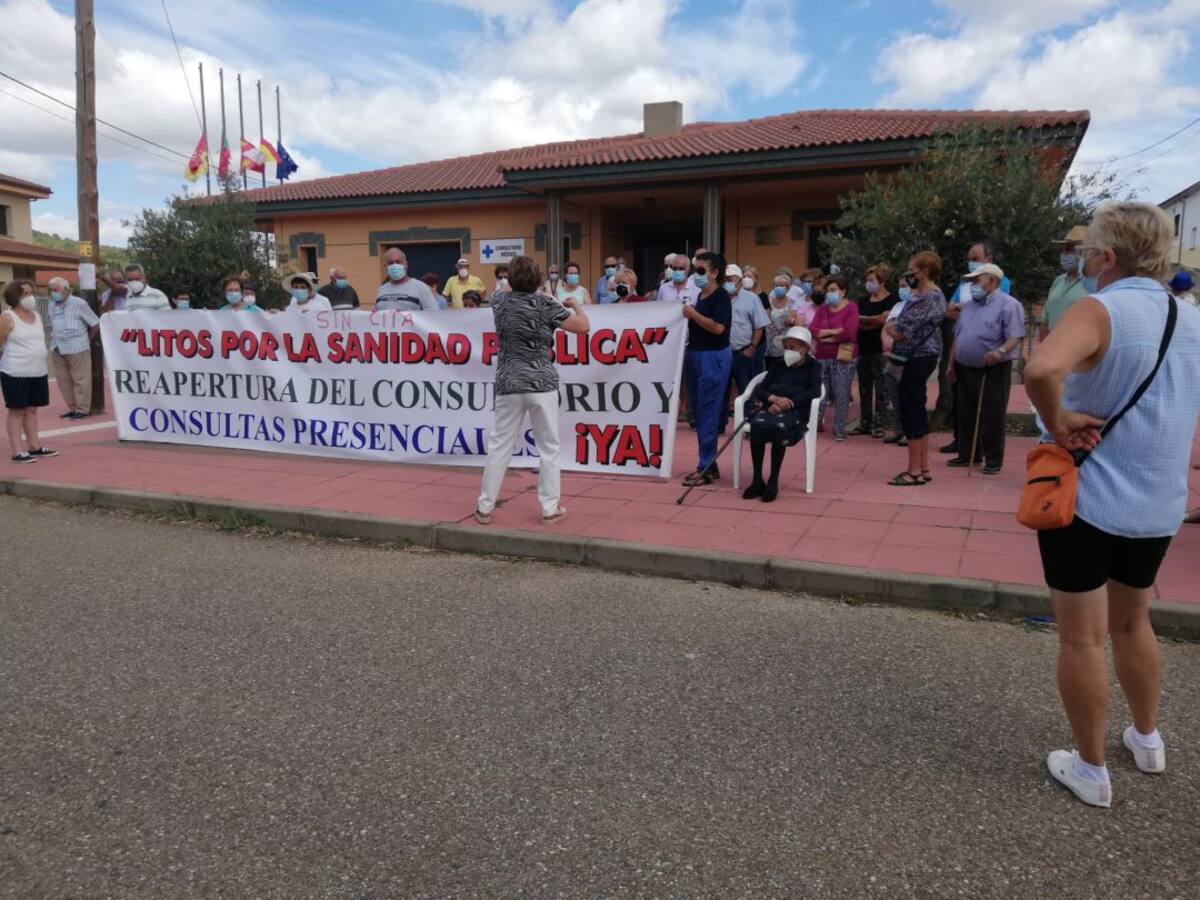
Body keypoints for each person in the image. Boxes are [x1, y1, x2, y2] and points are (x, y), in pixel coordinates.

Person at [1023, 202, 1200, 809]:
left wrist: (1059, 419)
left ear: (1107, 255)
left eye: (1087, 247)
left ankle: (1092, 768)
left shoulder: (1102, 307)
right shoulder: (1190, 317)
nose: (1081, 257)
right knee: (1134, 620)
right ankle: (1147, 739)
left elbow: (1042, 366)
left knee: (1082, 638)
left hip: (1087, 497)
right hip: (1158, 502)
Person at [475, 255, 591, 526]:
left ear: (511, 279)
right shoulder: (547, 305)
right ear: (539, 279)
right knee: (548, 447)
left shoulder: (500, 302)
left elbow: (503, 289)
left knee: (499, 445)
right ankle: (550, 508)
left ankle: (484, 506)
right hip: (541, 382)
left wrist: (520, 284)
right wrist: (575, 306)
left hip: (509, 381)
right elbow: (583, 328)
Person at [947, 263, 1025, 474]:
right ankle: (968, 454)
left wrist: (999, 351)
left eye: (976, 281)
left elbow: (1015, 336)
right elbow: (958, 335)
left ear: (992, 281)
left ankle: (992, 459)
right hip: (965, 365)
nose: (972, 285)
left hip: (993, 367)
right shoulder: (969, 305)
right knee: (966, 410)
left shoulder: (1009, 305)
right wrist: (951, 362)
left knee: (992, 412)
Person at [938, 240, 1008, 455]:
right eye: (969, 259)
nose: (971, 263)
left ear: (989, 260)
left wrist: (964, 309)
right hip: (962, 352)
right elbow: (949, 311)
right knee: (962, 400)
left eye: (975, 259)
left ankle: (988, 451)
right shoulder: (964, 286)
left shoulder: (1002, 283)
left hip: (989, 357)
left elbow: (994, 308)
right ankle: (963, 444)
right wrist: (965, 309)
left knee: (988, 405)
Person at [741, 326, 822, 503]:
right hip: (771, 408)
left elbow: (814, 392)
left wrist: (787, 403)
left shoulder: (814, 366)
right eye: (786, 347)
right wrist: (774, 399)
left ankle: (773, 481)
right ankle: (757, 480)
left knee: (777, 428)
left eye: (792, 347)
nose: (788, 351)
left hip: (796, 411)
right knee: (758, 424)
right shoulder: (778, 365)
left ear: (805, 348)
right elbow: (761, 390)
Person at [887, 251, 946, 486]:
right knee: (918, 409)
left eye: (912, 271)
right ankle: (923, 467)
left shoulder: (927, 297)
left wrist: (891, 324)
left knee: (911, 411)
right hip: (925, 355)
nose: (908, 275)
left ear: (924, 272)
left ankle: (913, 471)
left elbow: (901, 329)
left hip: (916, 357)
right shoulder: (936, 295)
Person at [680, 251, 733, 486]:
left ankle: (706, 466)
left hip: (713, 357)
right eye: (695, 270)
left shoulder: (721, 296)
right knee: (700, 412)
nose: (696, 275)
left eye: (701, 271)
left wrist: (694, 314)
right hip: (696, 355)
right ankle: (708, 463)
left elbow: (718, 328)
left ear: (714, 273)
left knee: (708, 411)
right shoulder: (701, 295)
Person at [0, 280, 58, 464]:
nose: (30, 297)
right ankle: (18, 451)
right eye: (25, 293)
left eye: (30, 292)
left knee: (32, 410)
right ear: (15, 296)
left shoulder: (37, 316)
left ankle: (35, 447)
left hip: (38, 371)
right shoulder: (8, 317)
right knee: (17, 411)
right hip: (15, 371)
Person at [809, 273, 860, 441]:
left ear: (843, 291)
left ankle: (839, 429)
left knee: (841, 392)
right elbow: (813, 330)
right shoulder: (823, 309)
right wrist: (832, 332)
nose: (829, 293)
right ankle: (815, 424)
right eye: (827, 290)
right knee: (820, 392)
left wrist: (826, 337)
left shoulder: (851, 308)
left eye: (833, 290)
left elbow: (850, 333)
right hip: (822, 356)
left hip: (843, 357)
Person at [850, 264, 898, 438]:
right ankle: (865, 422)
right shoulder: (863, 301)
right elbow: (857, 322)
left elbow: (886, 320)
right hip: (863, 349)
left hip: (881, 349)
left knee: (882, 388)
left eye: (871, 280)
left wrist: (865, 320)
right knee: (864, 387)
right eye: (867, 280)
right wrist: (874, 321)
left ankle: (879, 424)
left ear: (882, 281)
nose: (868, 283)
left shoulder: (892, 299)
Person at [45, 277, 99, 420]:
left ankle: (82, 409)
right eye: (50, 290)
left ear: (66, 290)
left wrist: (87, 339)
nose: (52, 293)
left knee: (81, 380)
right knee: (63, 380)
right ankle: (72, 408)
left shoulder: (79, 304)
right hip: (57, 347)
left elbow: (94, 324)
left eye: (55, 290)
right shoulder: (51, 305)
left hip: (77, 347)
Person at [724, 263, 769, 413]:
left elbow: (759, 325)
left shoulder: (752, 299)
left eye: (731, 279)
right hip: (723, 352)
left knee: (746, 389)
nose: (728, 283)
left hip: (742, 352)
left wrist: (752, 347)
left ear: (739, 280)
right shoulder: (719, 297)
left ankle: (748, 423)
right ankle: (719, 424)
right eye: (725, 279)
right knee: (722, 389)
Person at [1041, 226, 1089, 340]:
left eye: (1069, 250)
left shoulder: (1094, 283)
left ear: (1084, 252)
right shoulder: (1058, 281)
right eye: (1062, 250)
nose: (1064, 255)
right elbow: (1046, 320)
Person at [375, 248, 439, 311]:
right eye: (390, 263)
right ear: (386, 268)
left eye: (398, 262)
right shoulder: (381, 290)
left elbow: (433, 315)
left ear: (406, 265)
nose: (394, 265)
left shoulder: (421, 287)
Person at [763, 273, 803, 370]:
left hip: (785, 342)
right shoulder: (768, 300)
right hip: (769, 342)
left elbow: (793, 318)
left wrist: (791, 321)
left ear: (787, 288)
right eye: (776, 285)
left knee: (785, 369)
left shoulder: (792, 302)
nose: (779, 287)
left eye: (782, 285)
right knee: (769, 369)